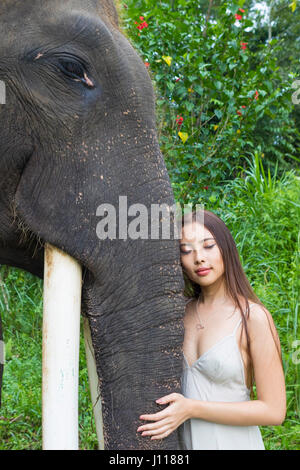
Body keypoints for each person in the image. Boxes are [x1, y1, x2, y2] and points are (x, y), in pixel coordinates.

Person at [137, 209, 286, 450]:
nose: (198, 258)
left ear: (225, 248)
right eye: (186, 250)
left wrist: (192, 408)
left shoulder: (253, 318)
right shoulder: (176, 316)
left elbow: (274, 411)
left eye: (208, 246)